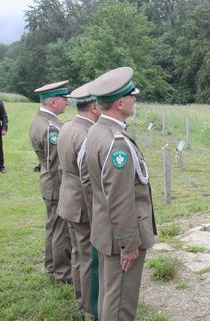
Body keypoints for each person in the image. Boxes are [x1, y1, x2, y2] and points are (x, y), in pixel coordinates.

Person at [86, 67, 156, 321]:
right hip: (120, 239)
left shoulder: (96, 131)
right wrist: (128, 245)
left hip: (106, 231)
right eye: (131, 96)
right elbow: (120, 199)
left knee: (109, 294)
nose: (134, 100)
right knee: (120, 305)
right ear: (120, 102)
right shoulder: (117, 144)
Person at [56, 82, 100, 320]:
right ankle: (90, 308)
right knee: (89, 257)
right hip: (83, 205)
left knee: (77, 253)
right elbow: (88, 180)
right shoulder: (86, 135)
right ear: (94, 107)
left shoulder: (68, 126)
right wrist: (97, 213)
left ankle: (80, 299)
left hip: (69, 199)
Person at [28, 80, 72, 283]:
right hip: (56, 185)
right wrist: (67, 190)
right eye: (64, 99)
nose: (67, 103)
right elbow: (56, 164)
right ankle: (62, 273)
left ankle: (52, 267)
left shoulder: (41, 120)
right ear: (54, 102)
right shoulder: (50, 128)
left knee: (53, 228)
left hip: (49, 183)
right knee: (60, 231)